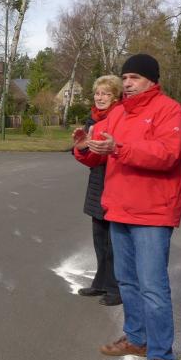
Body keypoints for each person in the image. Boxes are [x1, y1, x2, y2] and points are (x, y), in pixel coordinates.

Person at [74, 54, 181, 360]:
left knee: (153, 286)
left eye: (135, 77)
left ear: (152, 80)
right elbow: (98, 151)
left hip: (153, 213)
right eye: (125, 77)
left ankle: (161, 356)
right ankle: (136, 338)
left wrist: (119, 148)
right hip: (119, 209)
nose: (127, 83)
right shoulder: (118, 113)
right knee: (126, 281)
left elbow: (167, 155)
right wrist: (84, 147)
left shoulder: (170, 111)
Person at [74, 75, 123, 306]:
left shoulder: (120, 116)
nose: (100, 97)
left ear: (116, 97)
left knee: (115, 241)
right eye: (97, 93)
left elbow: (117, 150)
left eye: (106, 93)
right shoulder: (92, 119)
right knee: (100, 238)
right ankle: (101, 282)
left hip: (116, 180)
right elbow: (88, 157)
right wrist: (82, 147)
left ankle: (116, 288)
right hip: (98, 181)